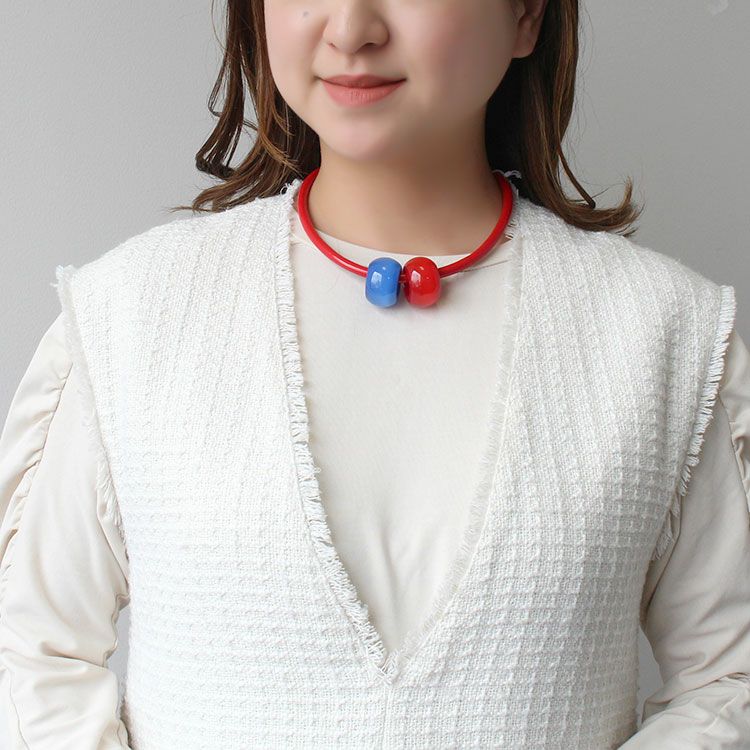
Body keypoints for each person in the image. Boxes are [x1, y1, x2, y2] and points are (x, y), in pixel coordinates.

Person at [1, 0, 749, 747]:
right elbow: (33, 654)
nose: (351, 29)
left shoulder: (664, 333)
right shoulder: (131, 315)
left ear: (525, 17)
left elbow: (728, 679)